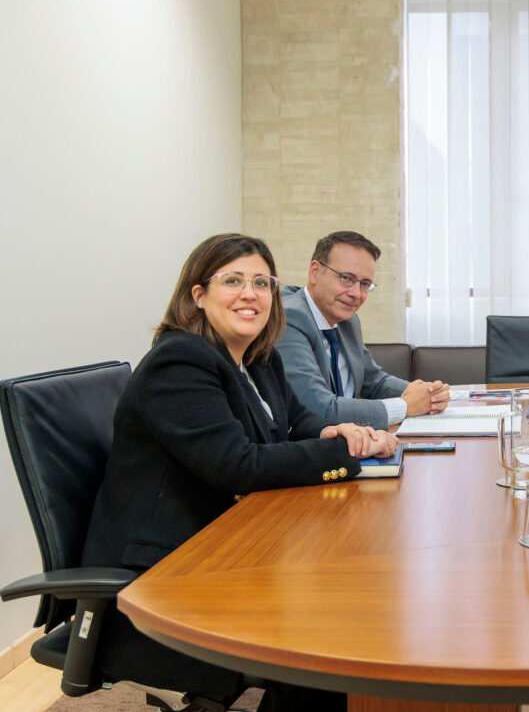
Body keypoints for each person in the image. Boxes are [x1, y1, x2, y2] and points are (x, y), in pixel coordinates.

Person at [83, 233, 398, 712]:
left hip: (228, 544)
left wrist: (344, 432)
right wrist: (343, 454)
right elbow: (239, 466)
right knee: (329, 630)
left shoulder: (257, 358)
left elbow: (298, 421)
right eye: (233, 281)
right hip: (168, 573)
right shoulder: (180, 362)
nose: (250, 294)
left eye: (262, 283)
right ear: (198, 294)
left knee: (350, 602)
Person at [278, 231, 449, 429]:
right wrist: (405, 406)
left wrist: (426, 393)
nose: (356, 294)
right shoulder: (289, 318)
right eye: (346, 278)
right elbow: (318, 409)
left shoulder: (348, 321)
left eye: (365, 284)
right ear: (315, 272)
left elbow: (374, 381)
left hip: (356, 439)